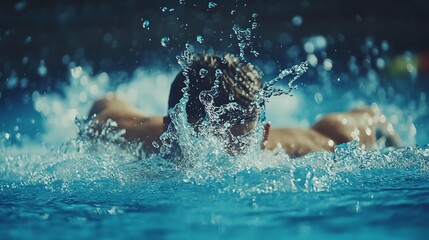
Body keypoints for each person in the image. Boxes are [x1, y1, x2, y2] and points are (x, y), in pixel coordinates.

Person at [88, 53, 400, 157]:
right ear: (171, 129)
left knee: (340, 129)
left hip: (332, 131)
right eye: (202, 134)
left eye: (235, 137)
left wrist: (380, 127)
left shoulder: (301, 151)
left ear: (262, 134)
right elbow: (105, 107)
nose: (217, 147)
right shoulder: (135, 136)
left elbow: (369, 123)